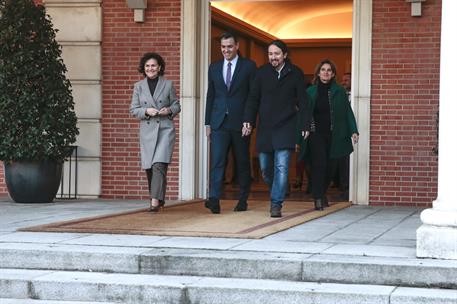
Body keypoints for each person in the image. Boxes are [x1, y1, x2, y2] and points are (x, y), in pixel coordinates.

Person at [243, 40, 309, 218]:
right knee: (265, 169)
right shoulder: (261, 73)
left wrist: (305, 124)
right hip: (266, 128)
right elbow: (253, 99)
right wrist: (248, 120)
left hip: (287, 126)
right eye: (271, 54)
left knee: (282, 167)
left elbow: (303, 101)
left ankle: (276, 203)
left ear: (285, 55)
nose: (273, 57)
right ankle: (280, 186)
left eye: (277, 54)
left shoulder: (295, 73)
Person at [204, 32, 257, 214]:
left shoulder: (249, 66)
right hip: (219, 122)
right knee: (217, 161)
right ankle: (214, 199)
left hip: (241, 122)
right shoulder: (214, 67)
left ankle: (243, 199)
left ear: (237, 46)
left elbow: (252, 96)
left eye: (229, 46)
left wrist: (249, 120)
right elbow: (211, 95)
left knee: (242, 162)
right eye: (223, 47)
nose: (226, 50)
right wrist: (207, 123)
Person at [130, 52, 181, 212]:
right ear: (143, 68)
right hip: (147, 132)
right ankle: (159, 197)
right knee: (150, 168)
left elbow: (177, 105)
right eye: (147, 66)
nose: (150, 68)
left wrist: (168, 110)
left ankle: (154, 202)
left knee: (159, 164)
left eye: (153, 65)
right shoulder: (138, 86)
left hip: (165, 129)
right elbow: (133, 109)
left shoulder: (168, 84)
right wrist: (146, 111)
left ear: (159, 67)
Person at [305, 59, 358, 211]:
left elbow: (347, 111)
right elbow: (305, 114)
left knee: (331, 167)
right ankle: (318, 198)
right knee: (319, 165)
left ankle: (322, 193)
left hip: (335, 135)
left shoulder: (339, 91)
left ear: (333, 74)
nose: (326, 72)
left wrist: (353, 130)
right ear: (318, 73)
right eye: (323, 69)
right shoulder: (311, 91)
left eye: (329, 70)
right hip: (316, 135)